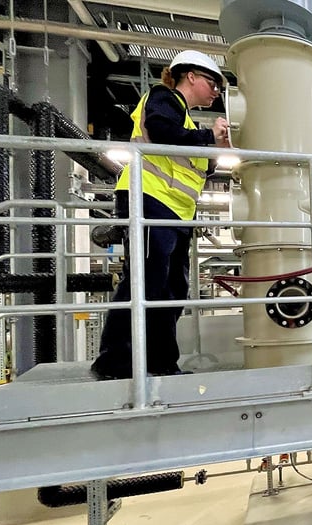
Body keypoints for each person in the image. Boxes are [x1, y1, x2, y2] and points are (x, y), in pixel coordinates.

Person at [91, 50, 231, 380]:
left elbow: (194, 166)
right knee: (146, 284)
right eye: (212, 84)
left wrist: (215, 150)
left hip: (175, 212)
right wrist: (208, 137)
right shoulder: (163, 97)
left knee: (172, 290)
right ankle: (114, 361)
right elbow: (160, 131)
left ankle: (161, 362)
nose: (216, 92)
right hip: (149, 199)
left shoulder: (186, 120)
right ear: (191, 76)